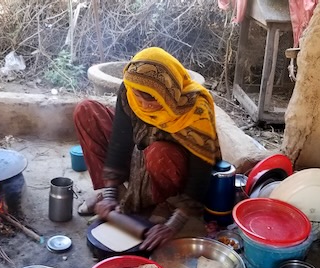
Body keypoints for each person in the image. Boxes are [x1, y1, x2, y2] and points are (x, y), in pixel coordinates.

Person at [73, 47, 221, 250]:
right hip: (137, 153)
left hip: (169, 166)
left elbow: (201, 169)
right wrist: (109, 193)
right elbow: (120, 139)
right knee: (87, 110)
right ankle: (112, 191)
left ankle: (166, 203)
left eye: (151, 99)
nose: (143, 104)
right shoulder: (129, 90)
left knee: (159, 152)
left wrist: (175, 223)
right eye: (138, 96)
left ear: (168, 92)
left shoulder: (195, 107)